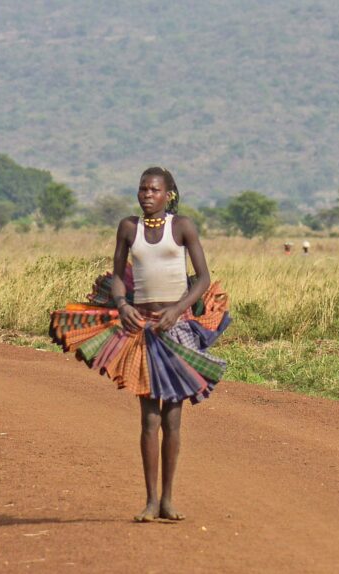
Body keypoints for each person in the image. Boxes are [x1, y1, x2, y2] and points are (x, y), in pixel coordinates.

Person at [109, 167, 221, 522]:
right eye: (142, 189)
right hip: (142, 328)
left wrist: (177, 309)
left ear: (168, 194)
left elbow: (203, 278)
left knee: (172, 418)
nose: (147, 195)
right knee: (149, 419)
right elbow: (117, 276)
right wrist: (122, 305)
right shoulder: (129, 228)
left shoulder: (182, 227)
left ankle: (168, 500)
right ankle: (150, 501)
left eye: (154, 190)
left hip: (176, 328)